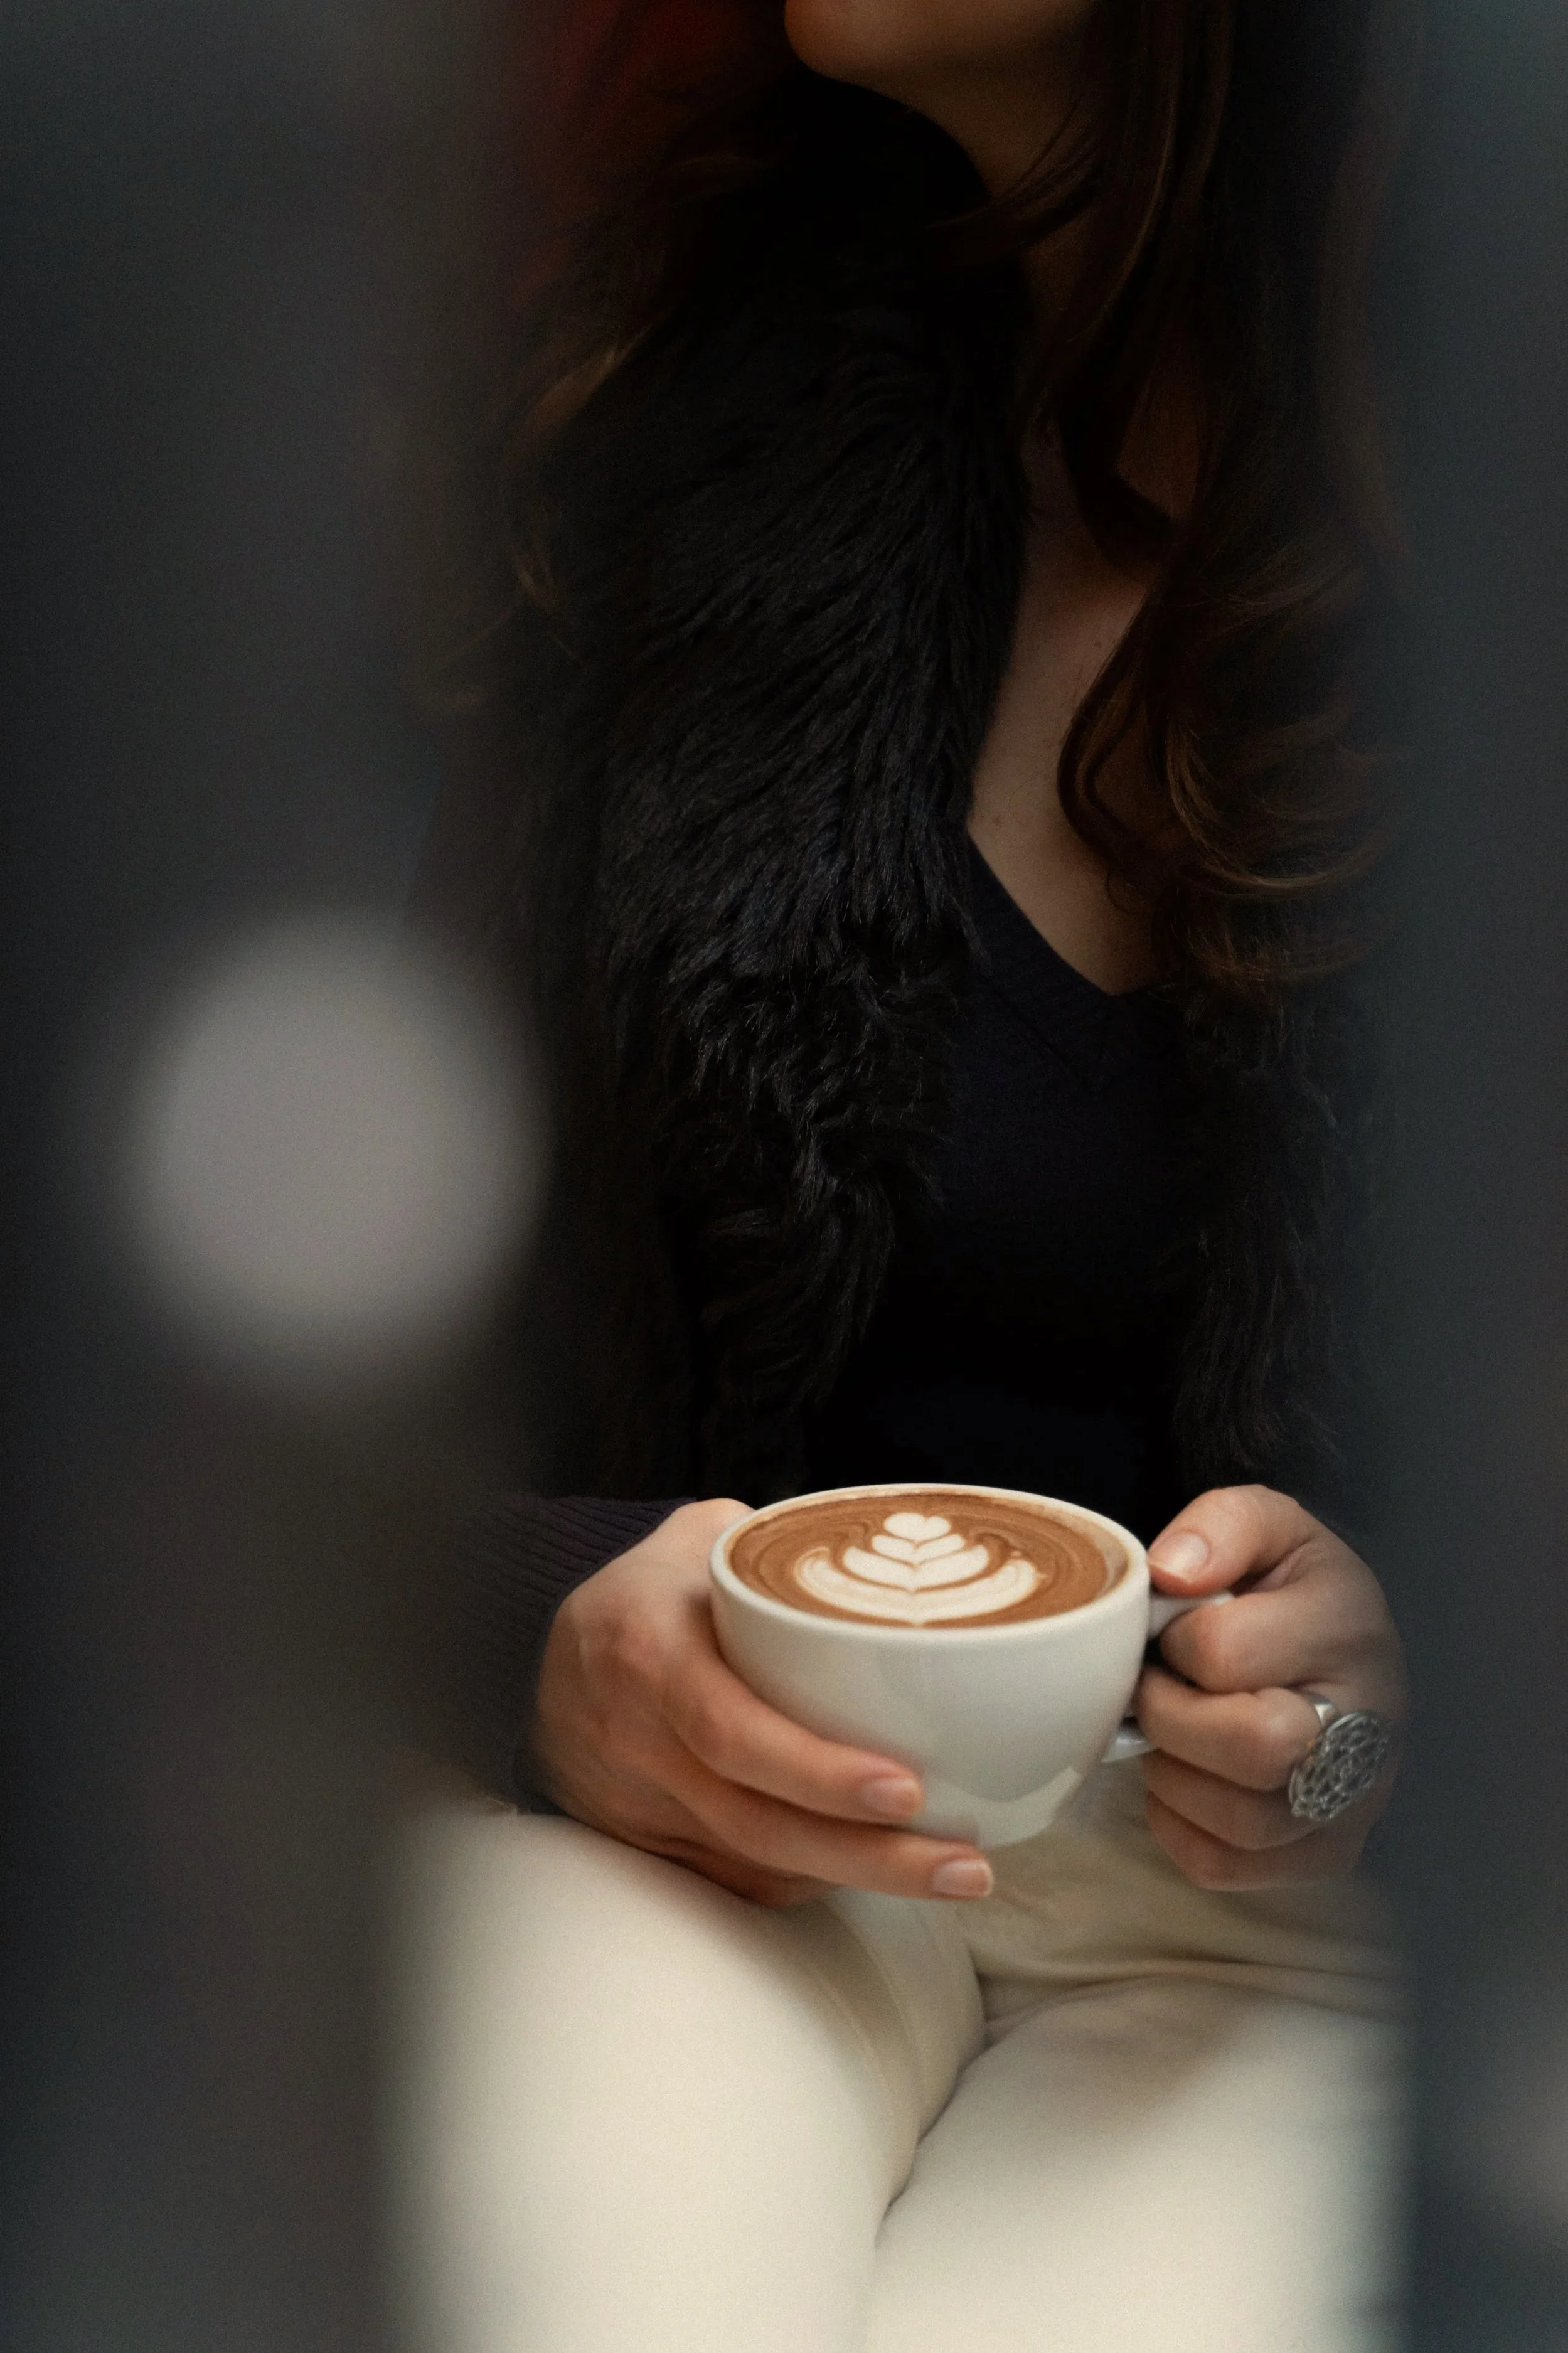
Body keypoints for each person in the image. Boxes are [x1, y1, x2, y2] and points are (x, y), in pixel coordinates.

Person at [394, 3, 1412, 2347]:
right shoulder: (684, 420)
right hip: (703, 1833)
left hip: (1339, 1921)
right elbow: (328, 1405)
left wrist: (1427, 1691)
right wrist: (554, 1636)